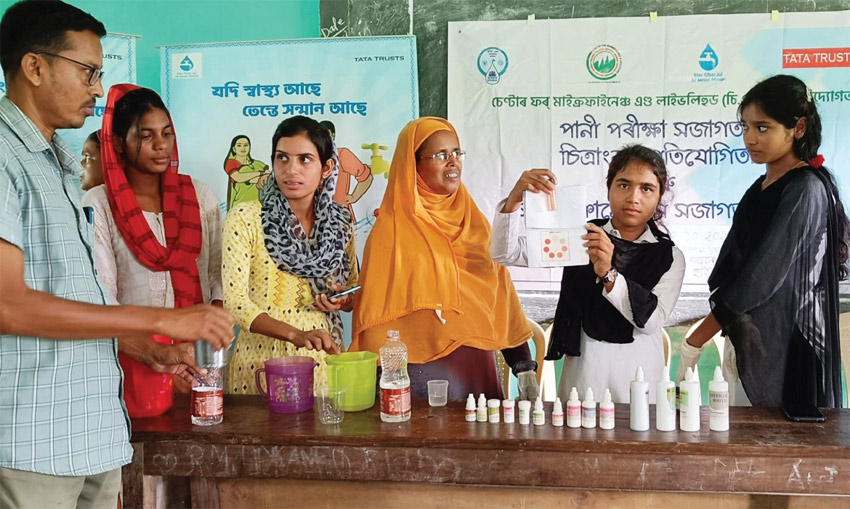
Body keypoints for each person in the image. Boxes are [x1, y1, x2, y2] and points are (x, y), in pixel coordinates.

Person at [0, 2, 233, 506]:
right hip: (32, 441)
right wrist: (166, 320)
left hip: (94, 433)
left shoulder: (56, 164)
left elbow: (76, 296)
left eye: (100, 74)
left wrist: (149, 347)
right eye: (87, 71)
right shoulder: (4, 158)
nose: (98, 89)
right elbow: (8, 305)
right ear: (35, 67)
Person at [679, 74, 848, 408]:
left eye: (763, 127)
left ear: (798, 128)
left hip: (789, 350)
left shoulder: (806, 190)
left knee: (783, 452)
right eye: (745, 127)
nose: (750, 138)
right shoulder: (760, 188)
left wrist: (697, 338)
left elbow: (761, 276)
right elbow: (736, 268)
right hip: (751, 338)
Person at [351, 117, 538, 402]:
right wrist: (383, 387)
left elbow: (500, 301)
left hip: (476, 375)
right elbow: (377, 319)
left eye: (456, 153)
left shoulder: (475, 226)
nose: (453, 163)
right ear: (414, 164)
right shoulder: (390, 233)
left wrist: (524, 366)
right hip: (415, 380)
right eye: (440, 155)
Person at [491, 145, 685, 404]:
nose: (633, 197)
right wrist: (515, 200)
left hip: (640, 378)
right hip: (585, 374)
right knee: (579, 440)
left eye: (647, 188)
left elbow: (650, 321)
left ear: (660, 196)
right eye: (624, 185)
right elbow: (506, 253)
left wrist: (608, 274)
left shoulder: (669, 256)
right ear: (609, 188)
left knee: (638, 441)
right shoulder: (583, 238)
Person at [82, 84, 224, 413]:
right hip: (128, 363)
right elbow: (102, 298)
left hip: (197, 366)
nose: (161, 146)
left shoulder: (199, 196)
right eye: (146, 136)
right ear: (119, 142)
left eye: (167, 133)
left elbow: (217, 279)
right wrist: (157, 353)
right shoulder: (99, 204)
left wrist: (200, 354)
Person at [222, 115, 358, 394]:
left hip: (322, 364)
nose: (291, 170)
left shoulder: (341, 222)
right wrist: (296, 335)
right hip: (259, 366)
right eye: (282, 158)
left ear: (326, 167)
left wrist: (342, 299)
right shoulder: (246, 219)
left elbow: (353, 294)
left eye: (305, 159)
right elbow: (235, 304)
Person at [319, 120, 373, 220]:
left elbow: (367, 177)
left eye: (326, 133)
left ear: (333, 135)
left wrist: (354, 197)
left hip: (341, 218)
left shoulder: (342, 154)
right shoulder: (311, 157)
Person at [223, 134, 269, 210]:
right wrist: (260, 174)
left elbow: (268, 176)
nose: (243, 148)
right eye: (239, 145)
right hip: (239, 207)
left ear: (249, 147)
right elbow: (239, 178)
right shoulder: (231, 163)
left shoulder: (257, 164)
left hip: (256, 207)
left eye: (246, 145)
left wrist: (262, 177)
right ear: (234, 149)